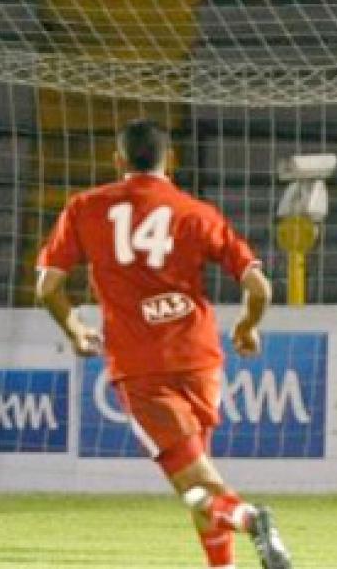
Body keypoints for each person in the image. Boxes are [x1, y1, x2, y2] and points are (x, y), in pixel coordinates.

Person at [35, 119, 292, 569]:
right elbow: (261, 288)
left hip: (142, 366)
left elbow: (47, 287)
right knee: (199, 474)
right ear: (168, 160)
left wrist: (75, 330)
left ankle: (251, 519)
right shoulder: (198, 212)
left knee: (193, 485)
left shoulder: (84, 208)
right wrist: (249, 326)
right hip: (200, 358)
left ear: (118, 161)